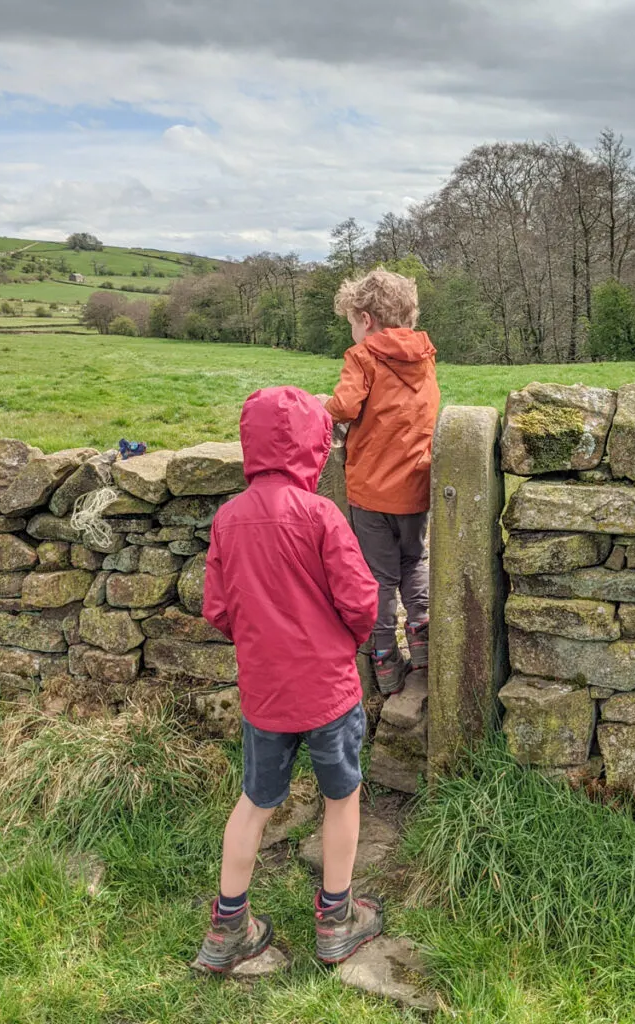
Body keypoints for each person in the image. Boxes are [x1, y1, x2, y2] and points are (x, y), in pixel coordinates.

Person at [192, 385, 382, 975]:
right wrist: (344, 642)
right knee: (341, 799)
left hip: (265, 693)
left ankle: (228, 929)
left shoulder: (228, 518)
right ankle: (335, 920)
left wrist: (259, 643)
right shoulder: (321, 513)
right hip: (327, 688)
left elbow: (217, 610)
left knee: (255, 801)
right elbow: (361, 599)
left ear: (251, 444)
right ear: (314, 446)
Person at [318, 269, 440, 696]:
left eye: (352, 323)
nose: (352, 332)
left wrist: (323, 408)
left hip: (371, 491)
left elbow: (346, 406)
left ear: (366, 319)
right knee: (415, 560)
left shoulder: (364, 356)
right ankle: (423, 637)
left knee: (379, 576)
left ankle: (386, 658)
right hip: (416, 485)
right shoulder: (424, 357)